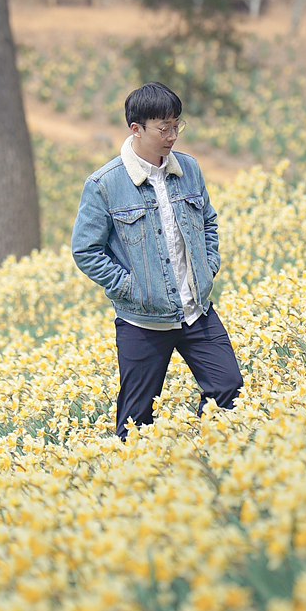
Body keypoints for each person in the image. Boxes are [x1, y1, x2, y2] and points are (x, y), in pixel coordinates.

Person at [72, 80, 243, 440]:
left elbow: (208, 221)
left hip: (196, 309)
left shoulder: (190, 169)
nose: (172, 135)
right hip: (143, 322)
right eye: (164, 128)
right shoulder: (105, 184)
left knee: (228, 387)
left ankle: (203, 459)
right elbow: (85, 250)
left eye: (176, 125)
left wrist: (208, 266)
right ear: (136, 129)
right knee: (135, 422)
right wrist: (132, 288)